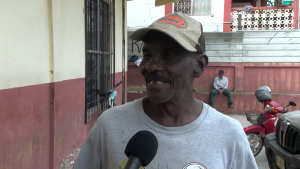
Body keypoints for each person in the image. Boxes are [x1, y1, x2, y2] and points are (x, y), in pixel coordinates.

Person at [73, 12, 257, 169]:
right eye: (147, 54)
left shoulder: (228, 134)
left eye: (168, 55)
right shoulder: (110, 124)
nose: (151, 66)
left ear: (199, 65)